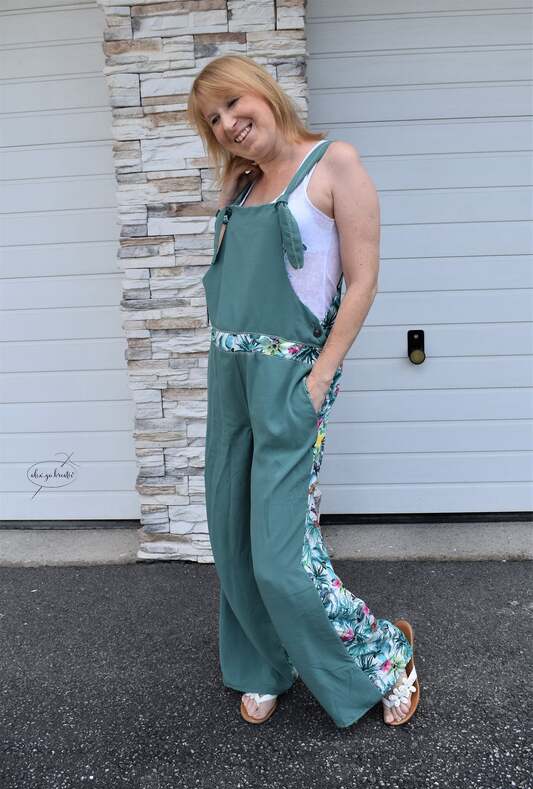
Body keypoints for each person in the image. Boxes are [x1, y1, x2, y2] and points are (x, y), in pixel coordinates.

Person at [186, 54, 420, 728]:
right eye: (213, 119)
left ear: (262, 92)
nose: (228, 124)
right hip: (229, 374)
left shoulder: (333, 163)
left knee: (282, 557)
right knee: (232, 537)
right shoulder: (241, 186)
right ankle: (265, 662)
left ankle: (385, 657)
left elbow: (362, 281)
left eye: (233, 104)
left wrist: (319, 378)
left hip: (290, 376)